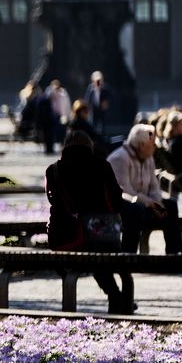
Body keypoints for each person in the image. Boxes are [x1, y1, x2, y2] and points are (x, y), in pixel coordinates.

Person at [45, 131, 127, 311]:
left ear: (65, 147)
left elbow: (52, 200)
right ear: (90, 146)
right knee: (97, 257)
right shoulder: (102, 166)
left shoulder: (53, 170)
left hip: (62, 238)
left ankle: (116, 296)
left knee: (90, 259)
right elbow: (117, 203)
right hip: (99, 236)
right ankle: (119, 298)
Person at [107, 123, 182, 254]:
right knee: (136, 209)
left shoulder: (148, 157)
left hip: (145, 205)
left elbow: (154, 187)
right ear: (141, 145)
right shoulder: (120, 158)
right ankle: (128, 256)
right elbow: (124, 191)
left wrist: (157, 204)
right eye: (152, 143)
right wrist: (149, 203)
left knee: (170, 206)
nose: (155, 146)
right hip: (122, 208)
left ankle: (174, 255)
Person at [83, 71, 112, 136]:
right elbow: (87, 100)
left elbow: (110, 98)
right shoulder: (90, 89)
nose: (98, 83)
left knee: (102, 128)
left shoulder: (105, 89)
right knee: (92, 126)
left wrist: (106, 103)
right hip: (93, 111)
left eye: (99, 81)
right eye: (96, 81)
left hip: (102, 111)